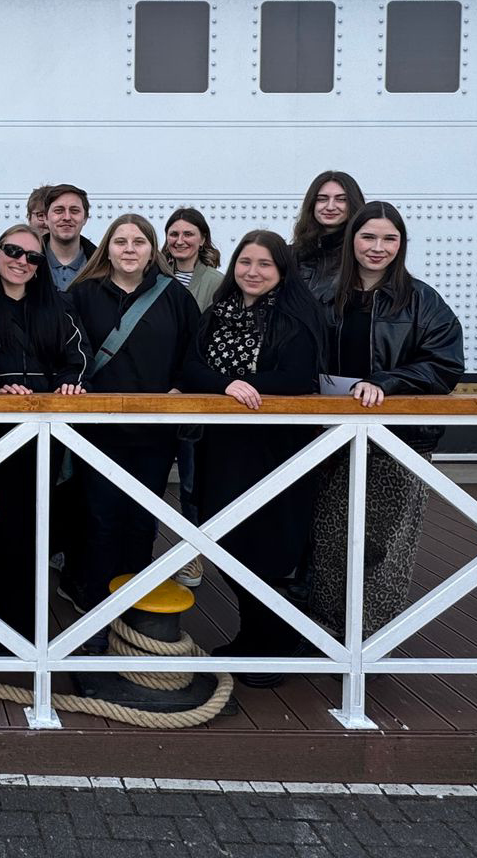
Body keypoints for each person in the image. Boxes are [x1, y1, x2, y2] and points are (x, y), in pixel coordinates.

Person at [305, 201, 465, 641]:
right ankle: (327, 631)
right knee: (330, 539)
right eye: (368, 237)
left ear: (401, 244)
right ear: (352, 239)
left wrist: (388, 381)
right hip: (329, 438)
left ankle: (372, 637)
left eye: (389, 239)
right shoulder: (323, 296)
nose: (377, 248)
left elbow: (446, 365)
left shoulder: (423, 300)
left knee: (386, 544)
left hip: (399, 440)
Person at [182, 230, 323, 688]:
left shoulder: (295, 318)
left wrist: (251, 386)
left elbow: (299, 375)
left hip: (275, 452)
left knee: (268, 547)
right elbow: (190, 366)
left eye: (264, 264)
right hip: (223, 449)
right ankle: (252, 636)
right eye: (245, 262)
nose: (252, 272)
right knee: (228, 540)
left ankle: (275, 646)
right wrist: (225, 385)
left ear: (281, 270)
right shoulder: (217, 314)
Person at [65, 214, 199, 632]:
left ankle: (133, 604)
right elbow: (70, 351)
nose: (128, 248)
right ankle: (96, 609)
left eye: (138, 242)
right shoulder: (83, 294)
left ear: (151, 250)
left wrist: (180, 387)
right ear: (107, 247)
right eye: (120, 241)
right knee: (100, 518)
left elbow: (194, 353)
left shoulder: (174, 298)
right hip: (98, 433)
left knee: (142, 521)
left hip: (154, 435)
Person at [0, 224, 86, 653]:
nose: (21, 261)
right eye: (12, 251)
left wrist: (68, 385)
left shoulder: (57, 307)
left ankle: (22, 630)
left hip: (42, 436)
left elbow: (76, 357)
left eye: (32, 257)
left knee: (31, 531)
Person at [164, 205, 226, 585]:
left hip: (193, 393)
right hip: (155, 392)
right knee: (146, 480)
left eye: (189, 234)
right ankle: (142, 551)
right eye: (174, 233)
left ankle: (191, 554)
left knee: (190, 482)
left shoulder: (217, 282)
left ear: (202, 238)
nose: (181, 240)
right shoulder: (151, 274)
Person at [291, 171, 367, 298]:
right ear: (312, 204)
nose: (330, 207)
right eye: (322, 199)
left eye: (341, 199)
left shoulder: (362, 255)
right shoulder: (293, 255)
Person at [43, 184, 91, 291]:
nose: (67, 217)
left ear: (85, 218)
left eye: (74, 211)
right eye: (59, 211)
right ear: (46, 218)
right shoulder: (27, 262)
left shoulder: (102, 267)